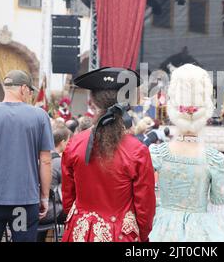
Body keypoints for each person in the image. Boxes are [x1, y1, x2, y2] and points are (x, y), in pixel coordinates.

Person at [61, 67, 156, 242]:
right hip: (120, 234)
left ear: (93, 101)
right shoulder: (138, 151)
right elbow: (145, 207)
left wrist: (79, 220)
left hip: (80, 232)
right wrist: (141, 236)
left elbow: (68, 198)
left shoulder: (74, 144)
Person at [149, 64, 224, 242]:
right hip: (202, 231)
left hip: (160, 227)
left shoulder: (157, 153)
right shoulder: (214, 158)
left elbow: (142, 194)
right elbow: (220, 204)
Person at [0, 70, 54, 242]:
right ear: (23, 88)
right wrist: (44, 196)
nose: (30, 95)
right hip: (23, 201)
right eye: (30, 90)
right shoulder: (39, 116)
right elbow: (45, 161)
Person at [37, 125, 71, 242]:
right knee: (74, 214)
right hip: (52, 212)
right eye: (68, 141)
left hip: (34, 209)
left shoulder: (38, 160)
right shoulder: (59, 163)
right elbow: (67, 189)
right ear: (62, 143)